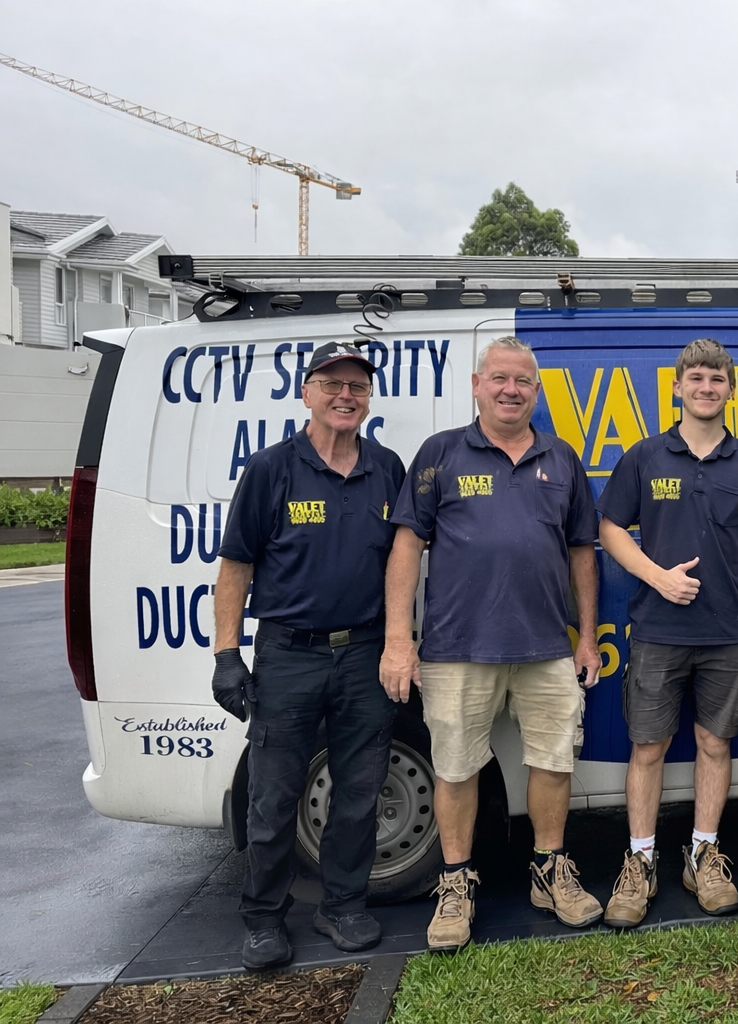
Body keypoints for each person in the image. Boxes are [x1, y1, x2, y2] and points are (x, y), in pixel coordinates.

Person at [380, 336, 603, 951]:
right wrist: (399, 639)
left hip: (546, 648)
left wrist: (586, 637)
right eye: (499, 378)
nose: (511, 390)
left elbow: (582, 551)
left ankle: (548, 869)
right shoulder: (441, 454)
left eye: (523, 381)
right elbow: (405, 547)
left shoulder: (562, 458)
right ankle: (455, 883)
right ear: (477, 386)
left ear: (537, 391)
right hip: (456, 648)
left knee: (554, 761)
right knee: (454, 768)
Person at [210, 341, 406, 970]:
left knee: (359, 790)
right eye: (332, 383)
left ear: (369, 398)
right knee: (272, 795)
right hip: (289, 654)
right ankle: (264, 919)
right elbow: (236, 566)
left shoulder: (387, 468)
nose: (345, 395)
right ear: (307, 392)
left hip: (367, 654)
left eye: (357, 386)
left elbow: (405, 561)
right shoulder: (271, 469)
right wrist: (226, 654)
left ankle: (343, 906)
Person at [594, 339, 738, 928]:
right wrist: (656, 577)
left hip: (730, 634)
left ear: (732, 390)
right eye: (696, 378)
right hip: (656, 631)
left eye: (717, 380)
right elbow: (609, 528)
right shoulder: (644, 457)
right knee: (648, 747)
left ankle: (703, 853)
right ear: (677, 388)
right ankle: (640, 861)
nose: (706, 388)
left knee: (714, 744)